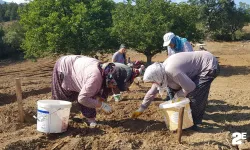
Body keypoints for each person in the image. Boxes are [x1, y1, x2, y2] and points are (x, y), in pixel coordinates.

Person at [132, 51, 220, 130]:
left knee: (195, 94)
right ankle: (183, 114)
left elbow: (190, 87)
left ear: (157, 77)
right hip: (197, 66)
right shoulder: (160, 72)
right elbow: (151, 92)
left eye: (153, 81)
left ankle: (194, 123)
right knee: (173, 88)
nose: (153, 83)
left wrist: (176, 97)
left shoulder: (171, 70)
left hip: (208, 66)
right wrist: (141, 109)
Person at [52, 55, 119, 127]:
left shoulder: (106, 71)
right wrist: (102, 105)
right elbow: (83, 98)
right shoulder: (96, 78)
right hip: (64, 67)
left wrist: (99, 99)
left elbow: (93, 93)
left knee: (89, 93)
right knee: (62, 97)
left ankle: (91, 119)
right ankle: (58, 121)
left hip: (80, 71)